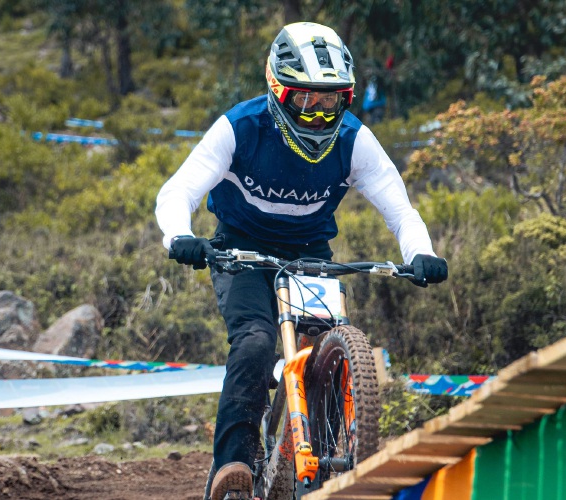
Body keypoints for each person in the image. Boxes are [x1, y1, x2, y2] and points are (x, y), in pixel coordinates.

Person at [155, 21, 448, 500]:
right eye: (306, 100)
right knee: (253, 342)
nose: (318, 114)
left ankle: (325, 453)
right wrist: (180, 236)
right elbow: (178, 191)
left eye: (330, 100)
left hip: (310, 252)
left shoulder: (355, 140)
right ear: (278, 90)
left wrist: (421, 254)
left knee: (320, 348)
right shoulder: (241, 127)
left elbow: (402, 213)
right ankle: (232, 466)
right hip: (240, 249)